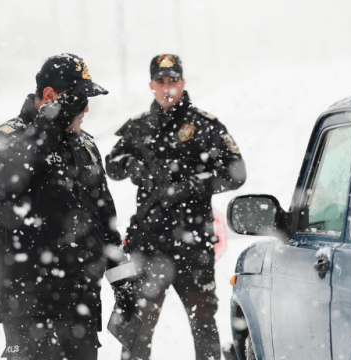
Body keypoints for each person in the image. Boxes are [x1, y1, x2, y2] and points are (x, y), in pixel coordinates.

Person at [0, 53, 137, 360]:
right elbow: (9, 177)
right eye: (78, 100)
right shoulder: (0, 141)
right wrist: (50, 122)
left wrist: (122, 280)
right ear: (49, 96)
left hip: (81, 303)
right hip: (29, 307)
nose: (86, 108)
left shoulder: (84, 145)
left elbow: (105, 219)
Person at [105, 54, 246, 360]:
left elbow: (236, 172)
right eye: (161, 82)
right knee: (136, 329)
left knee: (204, 326)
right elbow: (112, 165)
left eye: (173, 81)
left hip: (193, 245)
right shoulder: (139, 127)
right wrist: (132, 165)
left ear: (182, 82)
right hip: (148, 245)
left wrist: (193, 185)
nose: (167, 88)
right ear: (151, 85)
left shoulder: (205, 126)